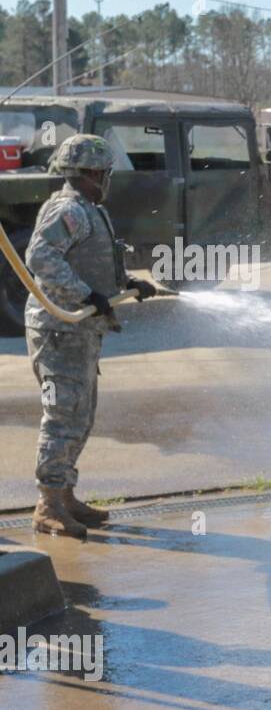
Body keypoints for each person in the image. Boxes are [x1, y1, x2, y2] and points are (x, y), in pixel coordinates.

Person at [24, 134, 156, 538]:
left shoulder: (87, 209)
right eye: (104, 172)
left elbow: (88, 262)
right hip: (59, 331)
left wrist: (126, 283)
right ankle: (47, 505)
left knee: (80, 417)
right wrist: (85, 296)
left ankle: (64, 497)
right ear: (93, 173)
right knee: (62, 418)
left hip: (79, 330)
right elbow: (40, 257)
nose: (106, 179)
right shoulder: (70, 209)